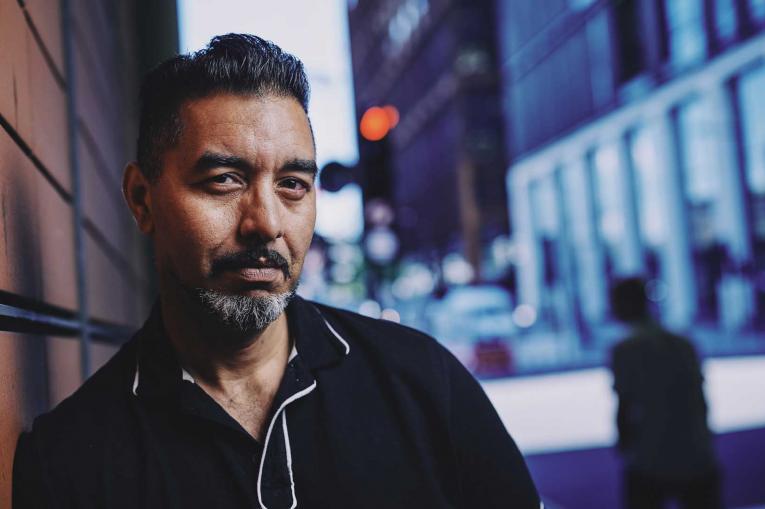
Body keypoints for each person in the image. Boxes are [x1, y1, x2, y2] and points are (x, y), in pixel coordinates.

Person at [12, 34, 540, 509]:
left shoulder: (425, 383)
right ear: (141, 199)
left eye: (292, 184)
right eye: (223, 179)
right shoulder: (70, 464)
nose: (265, 223)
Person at [609, 278, 722, 509]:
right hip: (696, 452)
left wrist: (624, 443)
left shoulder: (625, 350)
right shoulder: (683, 343)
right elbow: (700, 398)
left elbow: (625, 405)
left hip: (650, 457)